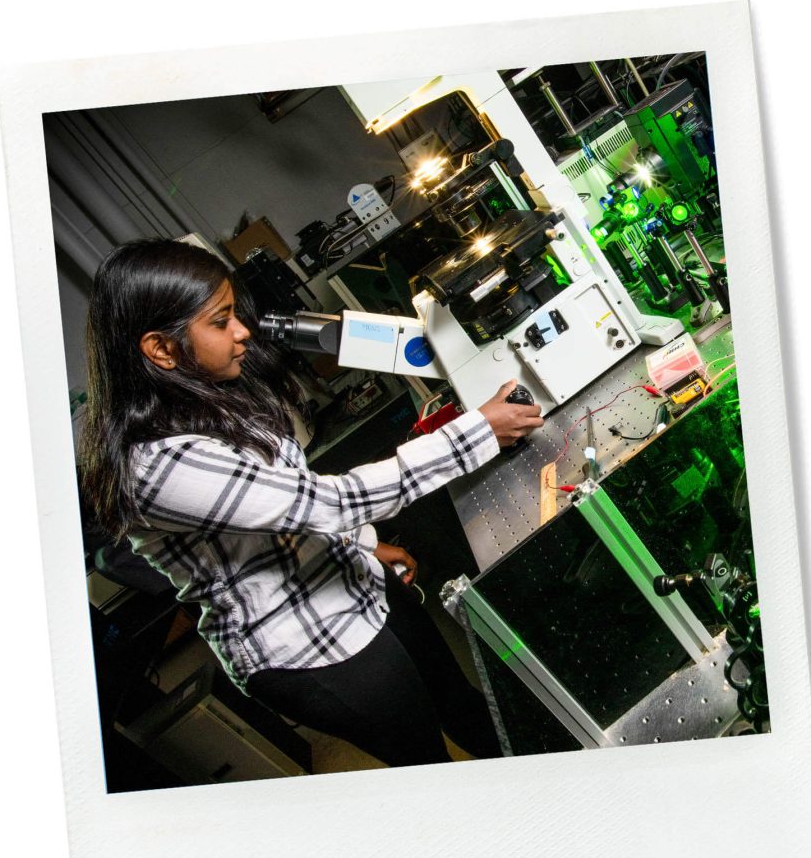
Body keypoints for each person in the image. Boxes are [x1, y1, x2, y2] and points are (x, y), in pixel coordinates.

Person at [80, 238, 544, 769]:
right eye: (221, 321)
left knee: (466, 708)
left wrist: (364, 545)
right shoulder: (157, 465)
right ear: (161, 349)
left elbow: (282, 505)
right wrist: (477, 432)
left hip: (354, 583)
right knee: (427, 765)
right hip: (308, 648)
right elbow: (325, 501)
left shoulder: (210, 398)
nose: (242, 332)